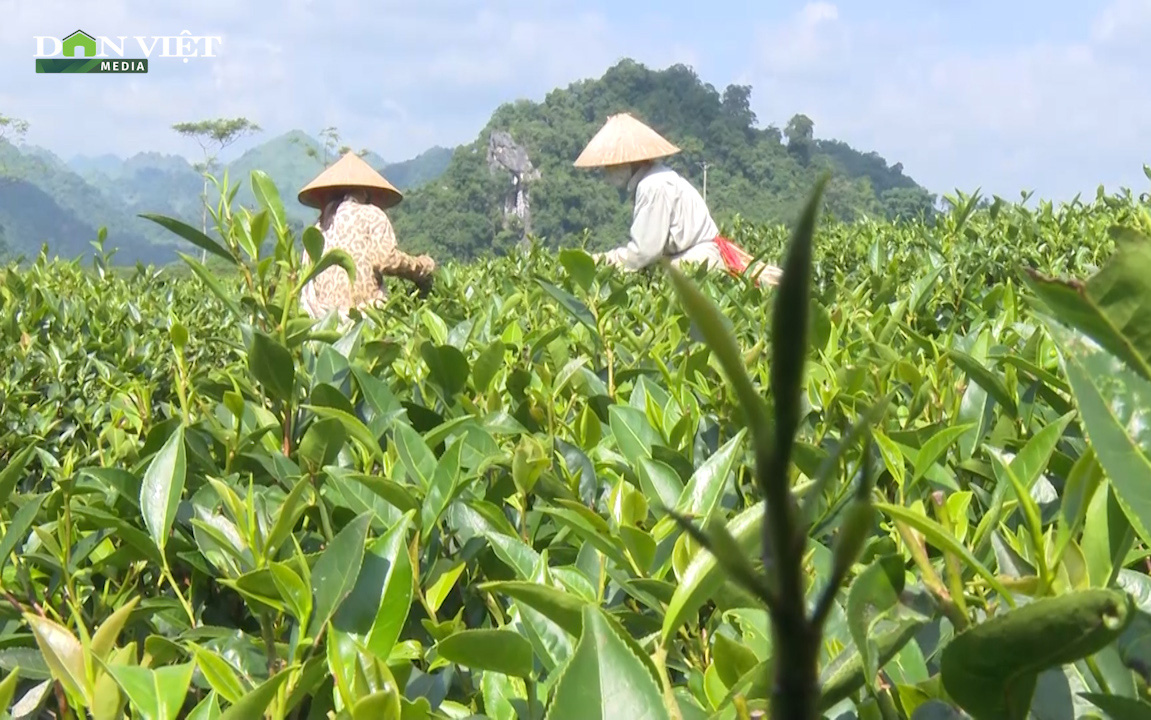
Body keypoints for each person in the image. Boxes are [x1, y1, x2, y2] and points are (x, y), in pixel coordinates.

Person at [573, 112, 782, 286]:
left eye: (611, 166)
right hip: (696, 258)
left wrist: (602, 261)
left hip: (695, 263)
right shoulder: (656, 178)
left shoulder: (652, 186)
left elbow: (644, 252)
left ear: (627, 162)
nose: (607, 173)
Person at [296, 151, 436, 322]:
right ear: (365, 192)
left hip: (324, 321)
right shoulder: (371, 215)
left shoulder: (318, 227)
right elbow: (386, 260)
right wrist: (422, 266)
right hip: (363, 318)